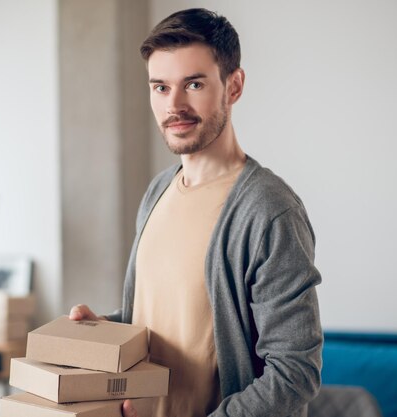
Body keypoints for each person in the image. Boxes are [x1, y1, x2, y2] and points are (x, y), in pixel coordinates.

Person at [69, 8, 323, 417]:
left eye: (194, 84)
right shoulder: (158, 191)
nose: (175, 105)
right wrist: (106, 327)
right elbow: (168, 321)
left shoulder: (269, 210)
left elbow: (295, 373)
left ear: (234, 85)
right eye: (160, 87)